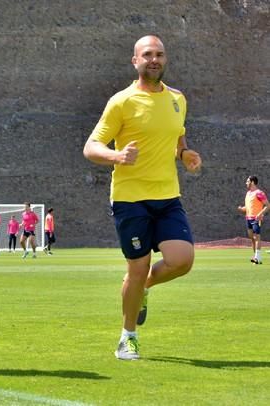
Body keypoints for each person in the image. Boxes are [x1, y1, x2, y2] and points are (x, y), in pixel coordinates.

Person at [83, 35, 202, 360]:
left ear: (165, 60)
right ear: (135, 61)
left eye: (159, 54)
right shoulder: (121, 101)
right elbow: (91, 146)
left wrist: (185, 153)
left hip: (167, 197)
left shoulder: (178, 99)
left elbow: (177, 136)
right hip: (130, 199)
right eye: (147, 54)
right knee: (138, 268)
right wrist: (117, 156)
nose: (154, 59)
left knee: (182, 260)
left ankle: (142, 287)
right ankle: (127, 337)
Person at [237, 176, 269, 264]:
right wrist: (241, 209)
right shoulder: (248, 193)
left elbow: (267, 205)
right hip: (248, 218)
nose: (246, 183)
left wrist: (260, 213)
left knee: (256, 237)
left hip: (256, 218)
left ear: (253, 182)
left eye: (247, 181)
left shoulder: (259, 193)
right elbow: (248, 207)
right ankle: (256, 256)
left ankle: (258, 258)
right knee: (252, 238)